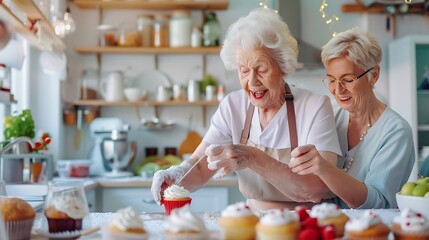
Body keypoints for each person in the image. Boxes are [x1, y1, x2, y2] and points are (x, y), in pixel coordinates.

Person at [151, 8, 341, 211]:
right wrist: (175, 177)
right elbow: (201, 163)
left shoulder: (315, 106)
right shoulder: (233, 106)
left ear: (283, 67)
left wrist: (252, 157)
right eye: (244, 70)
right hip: (253, 220)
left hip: (308, 222)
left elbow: (316, 189)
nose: (252, 81)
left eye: (262, 69)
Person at [288, 27, 415, 209]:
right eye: (331, 80)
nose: (338, 90)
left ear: (374, 75)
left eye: (347, 80)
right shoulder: (329, 115)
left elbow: (376, 202)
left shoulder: (396, 131)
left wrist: (324, 168)